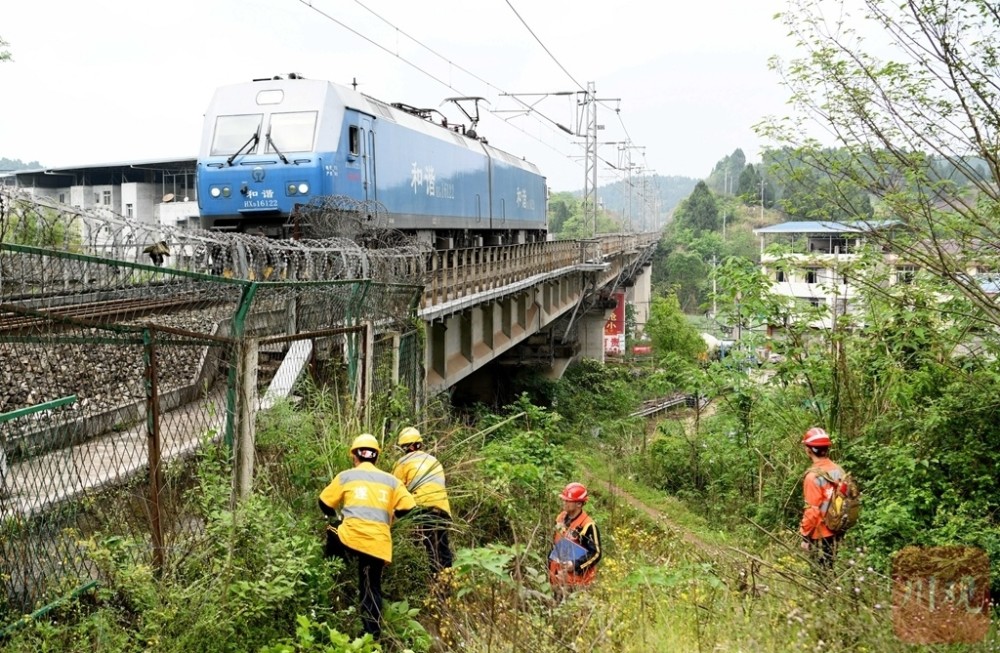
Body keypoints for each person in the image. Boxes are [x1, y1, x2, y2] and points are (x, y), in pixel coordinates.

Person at [319, 433, 415, 639]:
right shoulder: (391, 481)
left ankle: (333, 574)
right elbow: (409, 505)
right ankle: (371, 637)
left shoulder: (346, 476)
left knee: (332, 528)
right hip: (377, 545)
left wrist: (335, 516)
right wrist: (392, 518)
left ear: (355, 456)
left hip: (351, 539)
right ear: (376, 457)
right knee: (371, 588)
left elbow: (324, 503)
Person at [391, 426, 453, 573]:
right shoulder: (434, 461)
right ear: (420, 444)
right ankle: (448, 581)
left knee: (429, 548)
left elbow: (394, 489)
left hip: (422, 508)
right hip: (442, 509)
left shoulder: (402, 462)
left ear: (404, 447)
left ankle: (435, 586)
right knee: (442, 547)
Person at [799, 426, 845, 569]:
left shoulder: (812, 477)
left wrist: (805, 537)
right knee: (833, 568)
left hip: (820, 534)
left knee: (822, 574)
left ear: (809, 450)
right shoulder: (838, 470)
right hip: (838, 529)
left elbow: (812, 511)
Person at [548, 482, 601, 596]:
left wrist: (575, 565)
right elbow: (556, 542)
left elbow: (596, 553)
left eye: (568, 500)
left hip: (576, 583)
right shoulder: (560, 518)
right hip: (557, 577)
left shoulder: (588, 525)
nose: (564, 503)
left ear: (579, 504)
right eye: (564, 500)